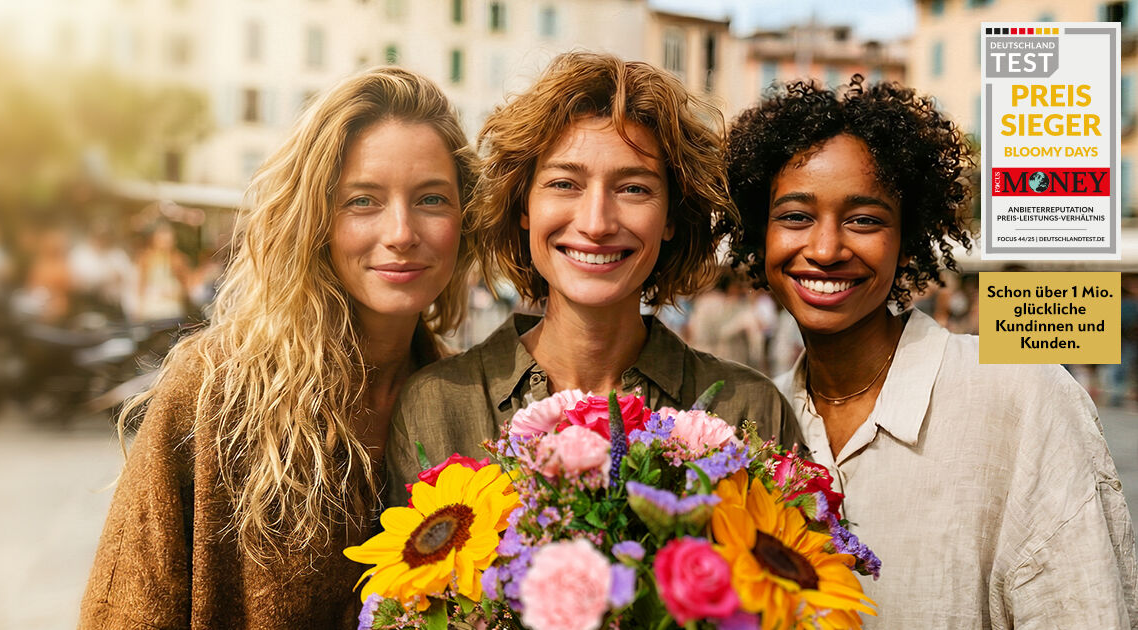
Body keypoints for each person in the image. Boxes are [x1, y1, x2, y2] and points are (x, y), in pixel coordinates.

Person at [726, 77, 1137, 628]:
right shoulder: (753, 421)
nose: (825, 249)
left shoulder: (1023, 394)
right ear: (760, 236)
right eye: (796, 216)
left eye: (864, 220)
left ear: (907, 240)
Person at [79, 67, 478, 629]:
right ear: (315, 218)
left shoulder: (473, 408)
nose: (401, 233)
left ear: (466, 218)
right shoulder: (213, 389)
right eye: (363, 200)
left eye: (431, 199)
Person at [387, 52, 801, 506]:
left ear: (671, 217)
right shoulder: (436, 406)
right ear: (524, 206)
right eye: (565, 184)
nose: (596, 223)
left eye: (634, 188)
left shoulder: (750, 411)